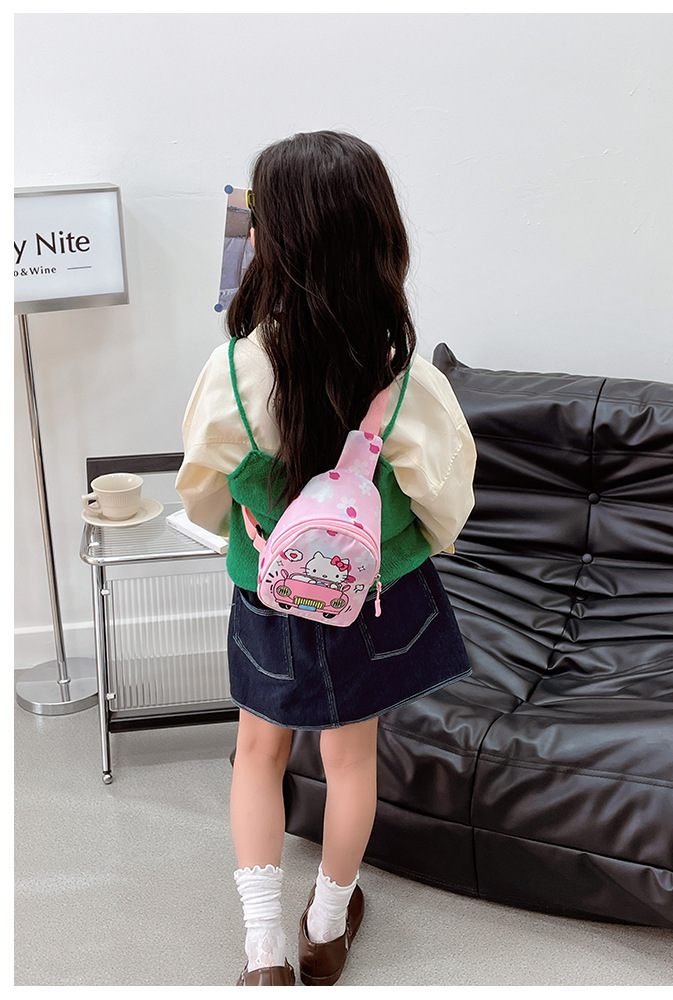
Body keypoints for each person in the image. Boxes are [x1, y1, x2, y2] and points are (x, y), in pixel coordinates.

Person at [176, 130, 476, 987]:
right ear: (381, 238)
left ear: (271, 242)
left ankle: (264, 951)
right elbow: (447, 501)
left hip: (269, 598)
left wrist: (247, 525)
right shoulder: (404, 377)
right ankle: (326, 926)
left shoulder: (235, 370)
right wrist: (415, 544)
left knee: (257, 755)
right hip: (371, 600)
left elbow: (202, 492)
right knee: (350, 764)